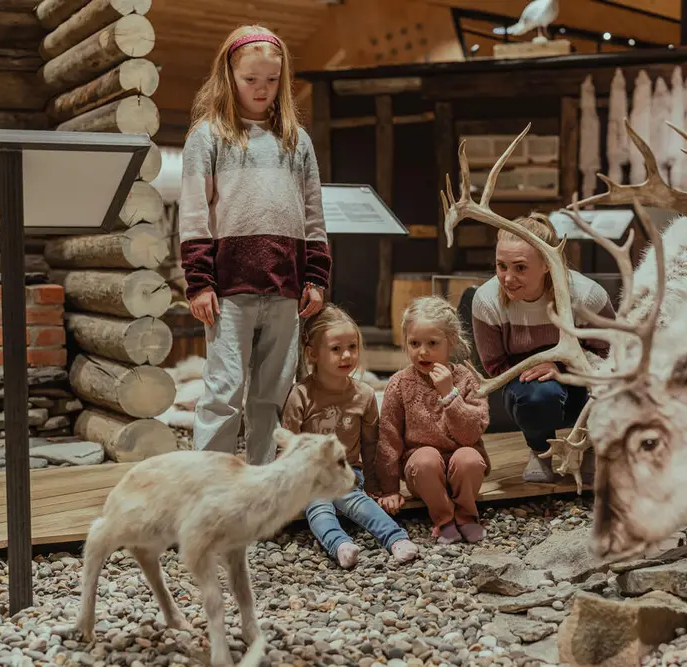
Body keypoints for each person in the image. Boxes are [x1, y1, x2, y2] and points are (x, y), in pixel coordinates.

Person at [179, 24, 332, 465]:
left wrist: (316, 278)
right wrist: (199, 282)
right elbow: (193, 214)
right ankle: (208, 489)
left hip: (286, 287)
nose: (261, 89)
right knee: (224, 392)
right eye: (251, 80)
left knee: (272, 394)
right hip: (229, 288)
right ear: (229, 74)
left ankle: (263, 487)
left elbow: (313, 215)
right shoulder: (207, 136)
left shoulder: (295, 140)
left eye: (271, 80)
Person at [470, 213, 615, 484]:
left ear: (548, 264)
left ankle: (591, 445)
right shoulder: (488, 301)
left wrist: (560, 366)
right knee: (539, 397)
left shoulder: (586, 296)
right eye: (501, 266)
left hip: (584, 382)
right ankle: (540, 451)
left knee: (608, 388)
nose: (508, 278)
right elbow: (494, 365)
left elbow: (613, 357)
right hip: (530, 385)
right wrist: (535, 367)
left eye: (520, 268)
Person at [281, 304, 418, 569]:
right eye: (336, 349)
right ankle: (340, 545)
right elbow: (288, 444)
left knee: (353, 499)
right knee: (318, 506)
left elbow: (371, 444)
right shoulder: (301, 395)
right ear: (312, 354)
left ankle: (395, 538)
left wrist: (375, 484)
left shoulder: (364, 395)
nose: (347, 355)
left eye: (352, 347)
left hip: (347, 472)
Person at [376, 296, 491, 545]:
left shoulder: (467, 380)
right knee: (426, 457)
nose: (423, 351)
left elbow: (471, 434)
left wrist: (450, 394)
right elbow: (388, 437)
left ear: (450, 343)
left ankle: (467, 517)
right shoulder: (400, 383)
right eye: (414, 343)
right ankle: (444, 520)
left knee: (468, 457)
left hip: (463, 470)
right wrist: (389, 489)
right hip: (423, 472)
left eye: (432, 343)